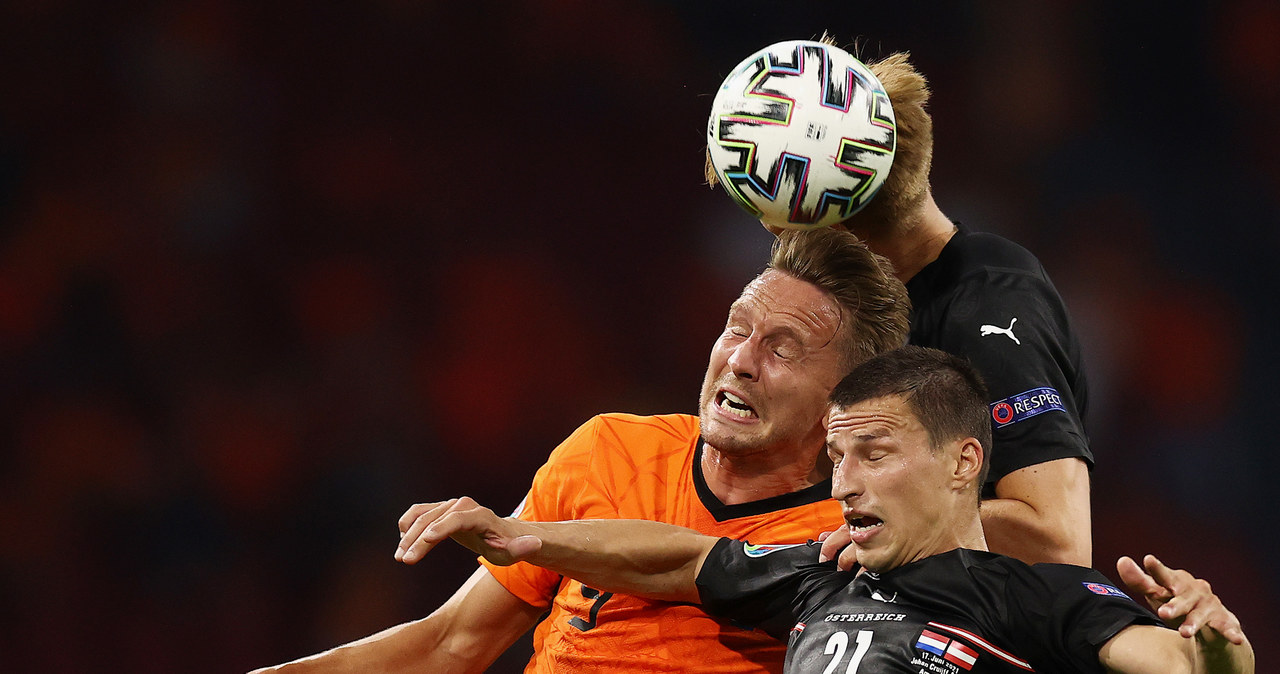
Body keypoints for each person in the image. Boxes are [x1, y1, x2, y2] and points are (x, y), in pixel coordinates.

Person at [250, 227, 911, 672]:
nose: (739, 360)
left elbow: (686, 564)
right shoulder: (608, 449)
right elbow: (452, 641)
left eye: (781, 349)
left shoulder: (852, 540)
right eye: (736, 328)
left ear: (843, 405)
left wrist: (528, 538)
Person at [399, 346, 1253, 674]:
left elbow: (1177, 668)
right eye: (837, 457)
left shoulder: (1031, 595)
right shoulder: (812, 578)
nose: (844, 482)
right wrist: (521, 536)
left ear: (964, 464)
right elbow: (675, 557)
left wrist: (1216, 645)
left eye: (873, 455)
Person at [713, 47, 1093, 566]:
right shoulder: (877, 302)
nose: (778, 246)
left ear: (836, 228)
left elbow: (1058, 540)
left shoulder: (989, 308)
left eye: (779, 228)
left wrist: (875, 513)